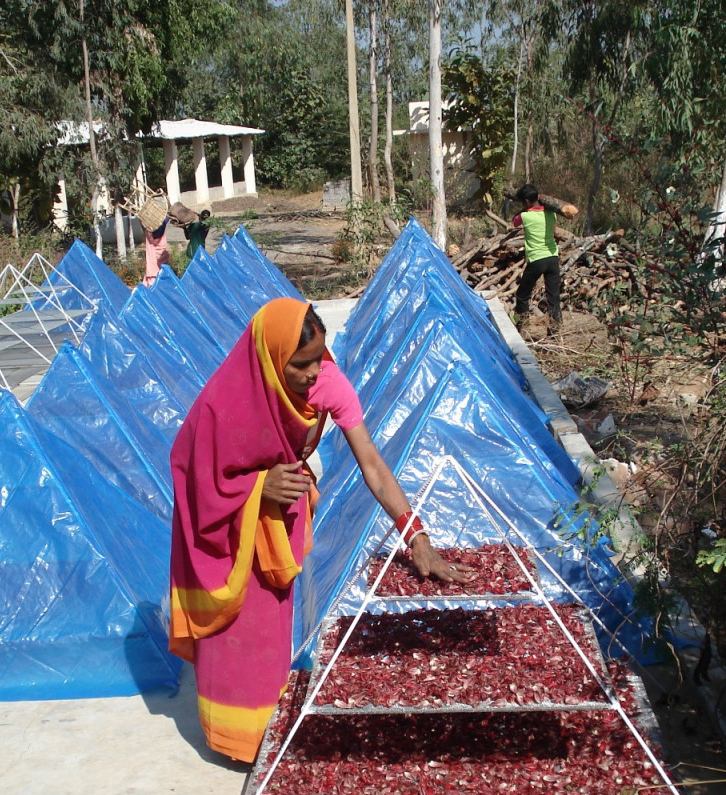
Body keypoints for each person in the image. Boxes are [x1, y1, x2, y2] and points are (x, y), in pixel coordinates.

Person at [168, 297, 474, 763]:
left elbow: (371, 464)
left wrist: (417, 537)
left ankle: (261, 739)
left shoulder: (329, 385)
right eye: (302, 364)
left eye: (319, 360)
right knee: (231, 636)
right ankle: (230, 739)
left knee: (267, 628)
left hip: (278, 518)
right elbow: (192, 467)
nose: (315, 373)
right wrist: (256, 488)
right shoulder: (223, 401)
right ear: (271, 361)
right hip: (230, 525)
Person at [511, 183, 562, 331]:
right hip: (552, 257)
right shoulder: (551, 214)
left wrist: (525, 209)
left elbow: (515, 223)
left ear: (526, 201)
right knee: (553, 297)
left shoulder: (525, 216)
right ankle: (555, 330)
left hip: (537, 259)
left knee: (522, 294)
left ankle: (522, 326)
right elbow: (554, 230)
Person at [142, 215, 170, 286]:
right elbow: (162, 226)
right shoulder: (158, 234)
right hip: (157, 266)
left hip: (153, 267)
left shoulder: (148, 231)